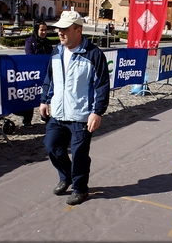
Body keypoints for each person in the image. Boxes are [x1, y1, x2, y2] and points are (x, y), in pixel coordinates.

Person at [39, 11, 110, 206]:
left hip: (81, 115)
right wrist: (45, 100)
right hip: (59, 113)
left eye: (65, 29)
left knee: (79, 154)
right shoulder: (56, 51)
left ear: (78, 30)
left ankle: (80, 189)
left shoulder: (94, 55)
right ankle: (66, 176)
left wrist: (97, 112)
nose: (60, 33)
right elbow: (49, 79)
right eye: (59, 29)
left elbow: (102, 85)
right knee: (51, 147)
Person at [15, 21, 54, 128]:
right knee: (32, 95)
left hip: (45, 73)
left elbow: (51, 56)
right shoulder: (30, 42)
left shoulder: (47, 42)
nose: (44, 32)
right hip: (33, 74)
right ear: (36, 30)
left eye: (45, 30)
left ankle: (44, 115)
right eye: (41, 30)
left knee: (45, 94)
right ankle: (27, 119)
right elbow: (30, 57)